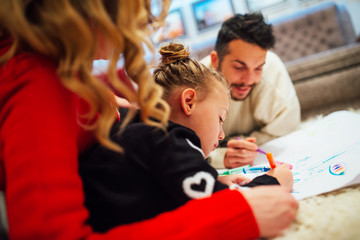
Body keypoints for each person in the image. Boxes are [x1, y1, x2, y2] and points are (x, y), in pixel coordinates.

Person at [0, 1, 298, 239]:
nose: (148, 21)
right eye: (140, 5)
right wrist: (239, 213)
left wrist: (213, 180)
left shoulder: (65, 75)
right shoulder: (37, 85)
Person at [79, 42, 294, 232]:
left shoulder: (144, 131)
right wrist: (274, 182)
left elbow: (169, 190)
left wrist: (214, 180)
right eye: (220, 118)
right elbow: (218, 205)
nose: (222, 134)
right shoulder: (170, 139)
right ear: (188, 101)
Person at [200, 13, 301, 169]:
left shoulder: (272, 73)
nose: (249, 79)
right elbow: (176, 146)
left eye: (258, 68)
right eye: (239, 67)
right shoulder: (194, 84)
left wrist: (246, 145)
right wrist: (222, 157)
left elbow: (288, 130)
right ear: (215, 60)